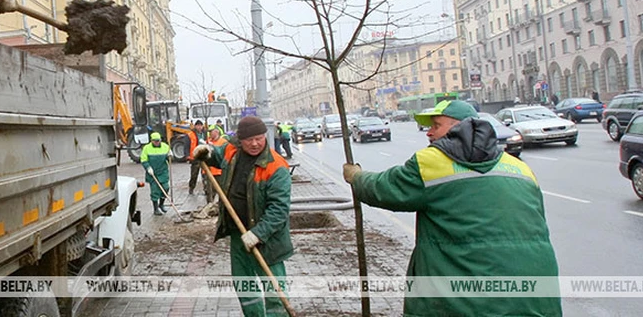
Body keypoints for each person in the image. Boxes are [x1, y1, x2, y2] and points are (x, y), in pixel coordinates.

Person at [342, 100, 562, 317]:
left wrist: (357, 177)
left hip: (464, 302)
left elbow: (384, 189)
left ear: (461, 126)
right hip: (535, 298)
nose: (429, 133)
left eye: (436, 126)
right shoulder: (520, 168)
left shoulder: (431, 163)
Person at [194, 116, 292, 317]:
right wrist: (207, 152)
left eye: (259, 138)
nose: (255, 143)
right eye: (249, 140)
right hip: (238, 233)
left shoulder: (276, 167)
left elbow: (279, 210)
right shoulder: (233, 152)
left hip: (268, 239)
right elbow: (218, 155)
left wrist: (257, 234)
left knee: (274, 290)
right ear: (241, 139)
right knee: (244, 285)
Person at [141, 132, 171, 216]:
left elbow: (168, 159)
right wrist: (148, 168)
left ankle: (161, 204)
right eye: (156, 141)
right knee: (155, 191)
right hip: (152, 173)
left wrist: (170, 156)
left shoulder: (165, 147)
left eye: (159, 141)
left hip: (163, 172)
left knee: (165, 188)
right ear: (152, 141)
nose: (157, 142)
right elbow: (143, 159)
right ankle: (155, 209)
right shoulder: (147, 148)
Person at [201, 126, 229, 203]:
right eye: (209, 132)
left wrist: (213, 147)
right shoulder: (207, 141)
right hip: (208, 171)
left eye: (211, 132)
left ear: (216, 132)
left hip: (218, 172)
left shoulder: (223, 142)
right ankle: (209, 207)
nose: (209, 134)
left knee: (222, 192)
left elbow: (223, 155)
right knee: (209, 192)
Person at [187, 119, 206, 196]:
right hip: (195, 157)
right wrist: (187, 155)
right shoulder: (190, 134)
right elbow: (187, 145)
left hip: (204, 156)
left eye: (200, 126)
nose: (199, 127)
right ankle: (191, 188)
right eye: (198, 126)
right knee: (194, 174)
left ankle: (206, 189)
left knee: (205, 174)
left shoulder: (205, 133)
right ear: (195, 126)